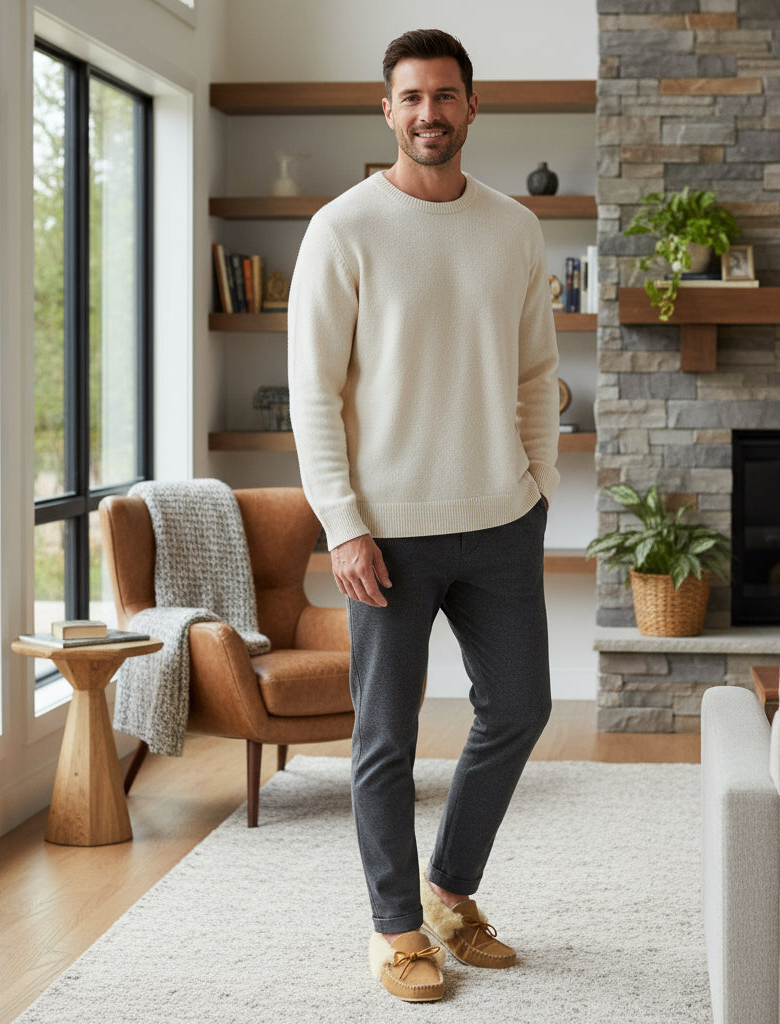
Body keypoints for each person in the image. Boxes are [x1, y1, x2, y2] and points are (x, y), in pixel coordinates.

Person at [287, 28, 559, 1004]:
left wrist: (538, 486)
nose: (428, 114)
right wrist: (342, 522)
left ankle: (449, 891)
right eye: (410, 98)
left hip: (500, 518)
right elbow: (312, 392)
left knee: (520, 708)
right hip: (386, 531)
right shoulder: (343, 227)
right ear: (387, 109)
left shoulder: (512, 228)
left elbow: (536, 374)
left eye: (445, 96)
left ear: (472, 106)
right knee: (386, 739)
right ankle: (397, 929)